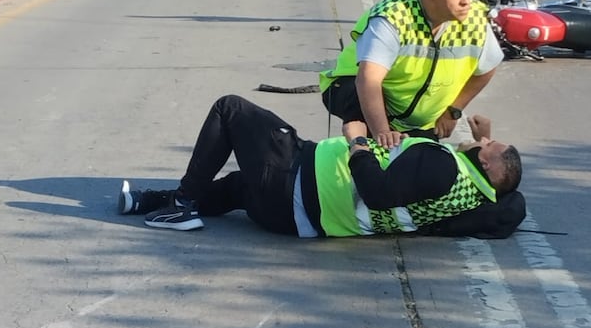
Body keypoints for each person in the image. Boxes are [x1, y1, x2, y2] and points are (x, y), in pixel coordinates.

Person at [118, 95, 525, 240]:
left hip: (296, 181)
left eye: (488, 145)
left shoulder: (446, 170)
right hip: (292, 215)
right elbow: (451, 159)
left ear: (485, 162)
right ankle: (151, 202)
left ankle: (183, 203)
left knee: (230, 110)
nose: (484, 140)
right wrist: (482, 133)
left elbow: (379, 193)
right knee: (237, 186)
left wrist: (357, 141)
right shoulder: (469, 194)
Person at [319, 0, 503, 148]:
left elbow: (487, 68)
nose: (466, 1)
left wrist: (453, 111)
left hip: (408, 112)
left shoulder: (474, 18)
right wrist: (383, 134)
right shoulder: (394, 17)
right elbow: (368, 80)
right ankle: (360, 149)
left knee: (423, 162)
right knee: (382, 155)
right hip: (353, 85)